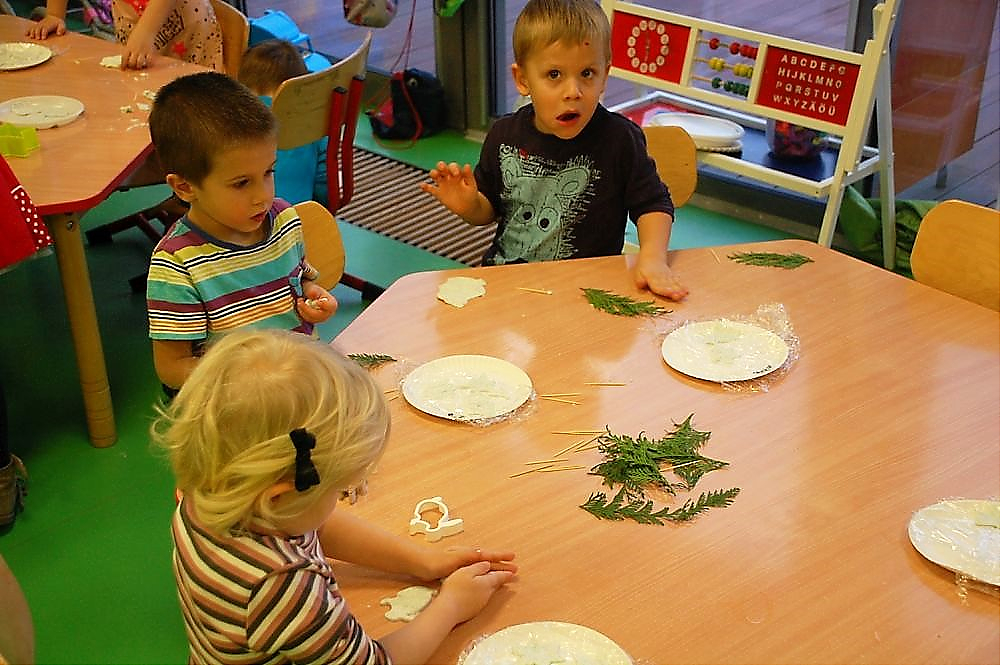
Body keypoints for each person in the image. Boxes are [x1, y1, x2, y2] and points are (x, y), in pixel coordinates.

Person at [152, 328, 517, 664]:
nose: (344, 498)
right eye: (340, 490)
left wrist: (423, 561)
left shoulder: (209, 494)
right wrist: (451, 607)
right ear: (280, 496)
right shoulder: (283, 587)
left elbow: (321, 527)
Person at [420, 0, 688, 301]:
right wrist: (469, 205)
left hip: (587, 292)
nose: (573, 92)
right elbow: (489, 210)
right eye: (554, 75)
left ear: (604, 75)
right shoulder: (504, 135)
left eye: (587, 73)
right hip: (506, 283)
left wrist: (653, 259)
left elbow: (653, 204)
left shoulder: (620, 140)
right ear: (522, 79)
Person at [145, 72, 338, 390]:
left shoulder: (283, 218)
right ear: (185, 187)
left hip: (301, 382)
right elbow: (171, 367)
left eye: (268, 172)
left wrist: (312, 296)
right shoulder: (178, 263)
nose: (263, 195)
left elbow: (296, 280)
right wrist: (245, 378)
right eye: (241, 183)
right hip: (237, 402)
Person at [238, 39, 329, 206]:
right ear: (300, 87)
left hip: (242, 213)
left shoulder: (231, 119)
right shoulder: (313, 121)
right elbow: (324, 181)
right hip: (295, 214)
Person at [25, 0, 223, 71]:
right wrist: (55, 14)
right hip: (129, 18)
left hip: (186, 26)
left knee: (198, 105)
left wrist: (146, 31)